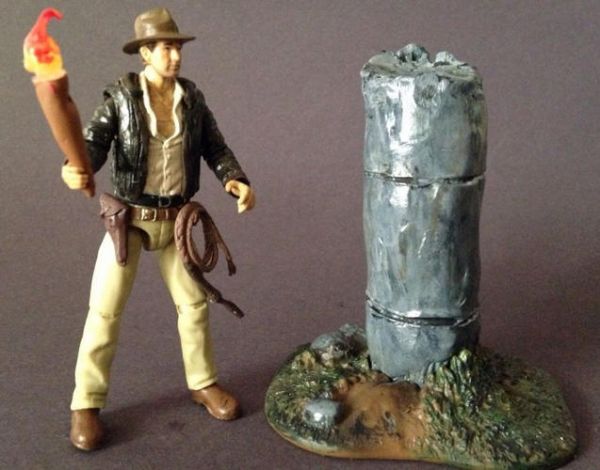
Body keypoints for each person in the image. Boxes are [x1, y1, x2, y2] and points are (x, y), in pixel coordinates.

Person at [62, 7, 256, 451]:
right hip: (129, 221)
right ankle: (86, 401)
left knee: (194, 305)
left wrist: (235, 179)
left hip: (177, 221)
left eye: (178, 48)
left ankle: (202, 382)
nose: (175, 56)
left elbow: (214, 146)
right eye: (166, 48)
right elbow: (92, 143)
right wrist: (76, 166)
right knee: (105, 310)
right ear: (145, 53)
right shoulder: (122, 98)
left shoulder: (192, 99)